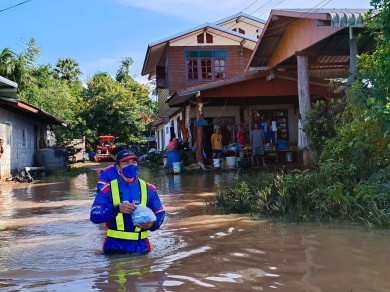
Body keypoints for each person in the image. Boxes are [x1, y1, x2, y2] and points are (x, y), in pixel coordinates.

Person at [90, 150, 165, 253]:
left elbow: (160, 213)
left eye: (133, 162)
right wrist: (117, 209)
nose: (131, 166)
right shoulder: (107, 189)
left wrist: (153, 225)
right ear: (118, 168)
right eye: (126, 163)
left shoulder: (149, 189)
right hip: (114, 248)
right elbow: (94, 216)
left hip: (141, 248)